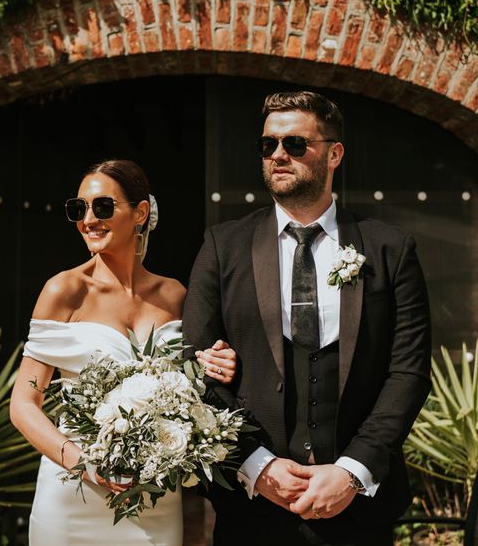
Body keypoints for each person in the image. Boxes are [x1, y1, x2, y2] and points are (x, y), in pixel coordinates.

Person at [183, 91, 432, 546]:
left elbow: (409, 373)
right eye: (268, 145)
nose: (278, 154)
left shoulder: (389, 249)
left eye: (295, 144)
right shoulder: (223, 246)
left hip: (359, 513)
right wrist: (255, 464)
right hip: (252, 508)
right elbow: (191, 368)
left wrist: (352, 471)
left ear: (334, 153)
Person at [10, 159, 237, 546]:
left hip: (154, 500)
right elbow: (23, 404)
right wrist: (85, 465)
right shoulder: (63, 292)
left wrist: (220, 362)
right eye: (78, 209)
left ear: (140, 214)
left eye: (102, 207)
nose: (88, 220)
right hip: (72, 499)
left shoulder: (176, 296)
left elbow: (199, 379)